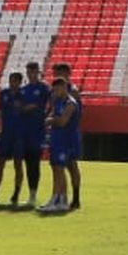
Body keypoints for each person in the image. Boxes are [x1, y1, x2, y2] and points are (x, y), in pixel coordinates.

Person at [41, 78, 80, 212]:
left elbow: (63, 121)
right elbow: (53, 115)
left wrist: (50, 121)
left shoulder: (70, 103)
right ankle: (62, 199)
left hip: (66, 141)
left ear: (64, 87)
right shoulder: (57, 101)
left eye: (58, 89)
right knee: (55, 168)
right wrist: (51, 119)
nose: (55, 92)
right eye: (54, 89)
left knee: (59, 168)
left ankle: (55, 198)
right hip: (56, 139)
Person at [0, 71, 24, 207]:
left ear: (20, 82)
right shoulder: (3, 94)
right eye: (11, 80)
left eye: (15, 81)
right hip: (6, 134)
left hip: (18, 135)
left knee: (18, 164)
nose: (12, 83)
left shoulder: (23, 95)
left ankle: (15, 194)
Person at [18, 62, 50, 208]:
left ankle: (33, 195)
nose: (31, 73)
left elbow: (45, 105)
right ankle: (28, 194)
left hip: (37, 131)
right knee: (26, 162)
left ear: (38, 72)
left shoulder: (43, 88)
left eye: (33, 71)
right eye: (29, 71)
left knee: (34, 163)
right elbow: (19, 106)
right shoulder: (23, 89)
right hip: (24, 130)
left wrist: (31, 109)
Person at [52, 62, 82, 209]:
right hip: (59, 134)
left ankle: (75, 197)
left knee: (71, 166)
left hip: (69, 134)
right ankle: (59, 197)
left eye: (59, 73)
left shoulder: (73, 92)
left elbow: (74, 114)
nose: (57, 76)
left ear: (67, 74)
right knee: (57, 166)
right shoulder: (56, 92)